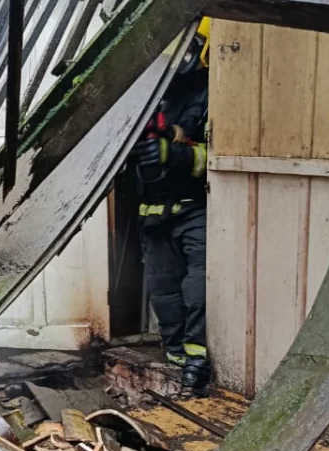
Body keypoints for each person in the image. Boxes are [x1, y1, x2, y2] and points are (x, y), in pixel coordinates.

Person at [126, 18, 211, 390]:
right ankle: (175, 358)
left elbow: (216, 154)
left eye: (188, 47)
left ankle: (197, 360)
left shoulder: (211, 89)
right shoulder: (150, 90)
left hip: (193, 207)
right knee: (162, 289)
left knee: (196, 288)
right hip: (152, 212)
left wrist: (171, 153)